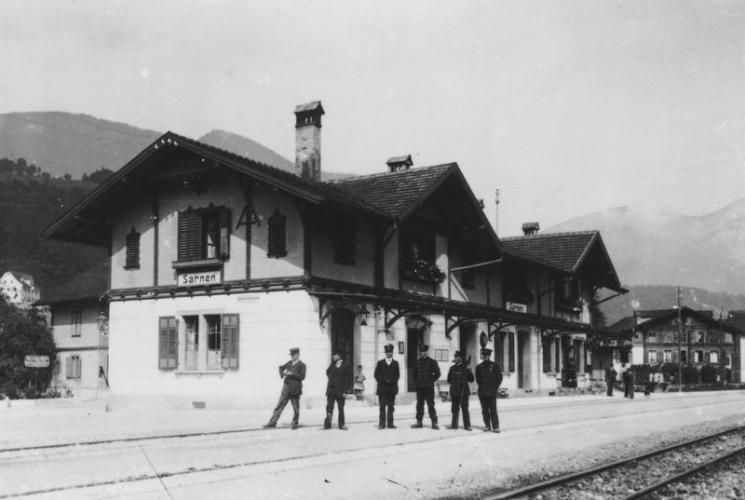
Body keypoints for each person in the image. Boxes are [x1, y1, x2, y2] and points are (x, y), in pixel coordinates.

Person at [264, 347, 306, 429]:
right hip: (286, 387)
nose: (292, 357)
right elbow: (280, 368)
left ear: (298, 355)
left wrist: (291, 374)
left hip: (295, 389)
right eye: (291, 355)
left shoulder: (302, 365)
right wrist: (282, 374)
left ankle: (295, 422)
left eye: (293, 355)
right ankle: (272, 422)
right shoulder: (289, 363)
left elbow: (302, 376)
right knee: (279, 405)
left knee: (296, 408)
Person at [411, 344, 441, 430]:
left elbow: (438, 374)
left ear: (427, 352)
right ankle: (419, 422)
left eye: (424, 351)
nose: (423, 353)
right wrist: (417, 383)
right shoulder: (417, 362)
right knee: (419, 405)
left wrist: (431, 381)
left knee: (431, 405)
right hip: (420, 387)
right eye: (421, 351)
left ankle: (434, 422)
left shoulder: (432, 362)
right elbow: (414, 374)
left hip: (429, 387)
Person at [475, 347, 502, 433]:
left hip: (492, 391)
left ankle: (496, 427)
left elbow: (499, 378)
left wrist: (495, 387)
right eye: (484, 355)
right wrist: (483, 386)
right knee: (484, 410)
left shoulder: (494, 365)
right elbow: (478, 379)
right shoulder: (479, 367)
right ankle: (487, 425)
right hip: (482, 392)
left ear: (489, 355)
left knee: (493, 410)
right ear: (482, 356)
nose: (485, 356)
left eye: (487, 355)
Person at [447, 350, 474, 431]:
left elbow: (472, 380)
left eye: (456, 357)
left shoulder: (465, 368)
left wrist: (469, 371)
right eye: (455, 357)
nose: (455, 358)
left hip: (463, 392)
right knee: (454, 409)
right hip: (455, 392)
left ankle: (467, 425)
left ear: (460, 358)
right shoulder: (452, 368)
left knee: (465, 409)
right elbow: (449, 380)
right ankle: (454, 424)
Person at [374, 343, 400, 429]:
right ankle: (381, 424)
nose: (389, 353)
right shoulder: (380, 363)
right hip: (382, 389)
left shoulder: (396, 363)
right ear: (385, 352)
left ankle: (390, 423)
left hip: (392, 389)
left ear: (392, 353)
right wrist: (383, 381)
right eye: (387, 352)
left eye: (390, 352)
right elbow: (376, 375)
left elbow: (397, 375)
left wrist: (391, 381)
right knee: (382, 407)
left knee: (391, 407)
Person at [324, 352, 349, 430]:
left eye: (335, 356)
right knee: (329, 407)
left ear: (339, 356)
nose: (333, 357)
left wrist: (345, 391)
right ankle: (328, 423)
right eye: (333, 356)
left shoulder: (345, 366)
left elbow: (347, 380)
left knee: (341, 408)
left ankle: (341, 424)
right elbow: (327, 372)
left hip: (341, 391)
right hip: (331, 390)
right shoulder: (332, 365)